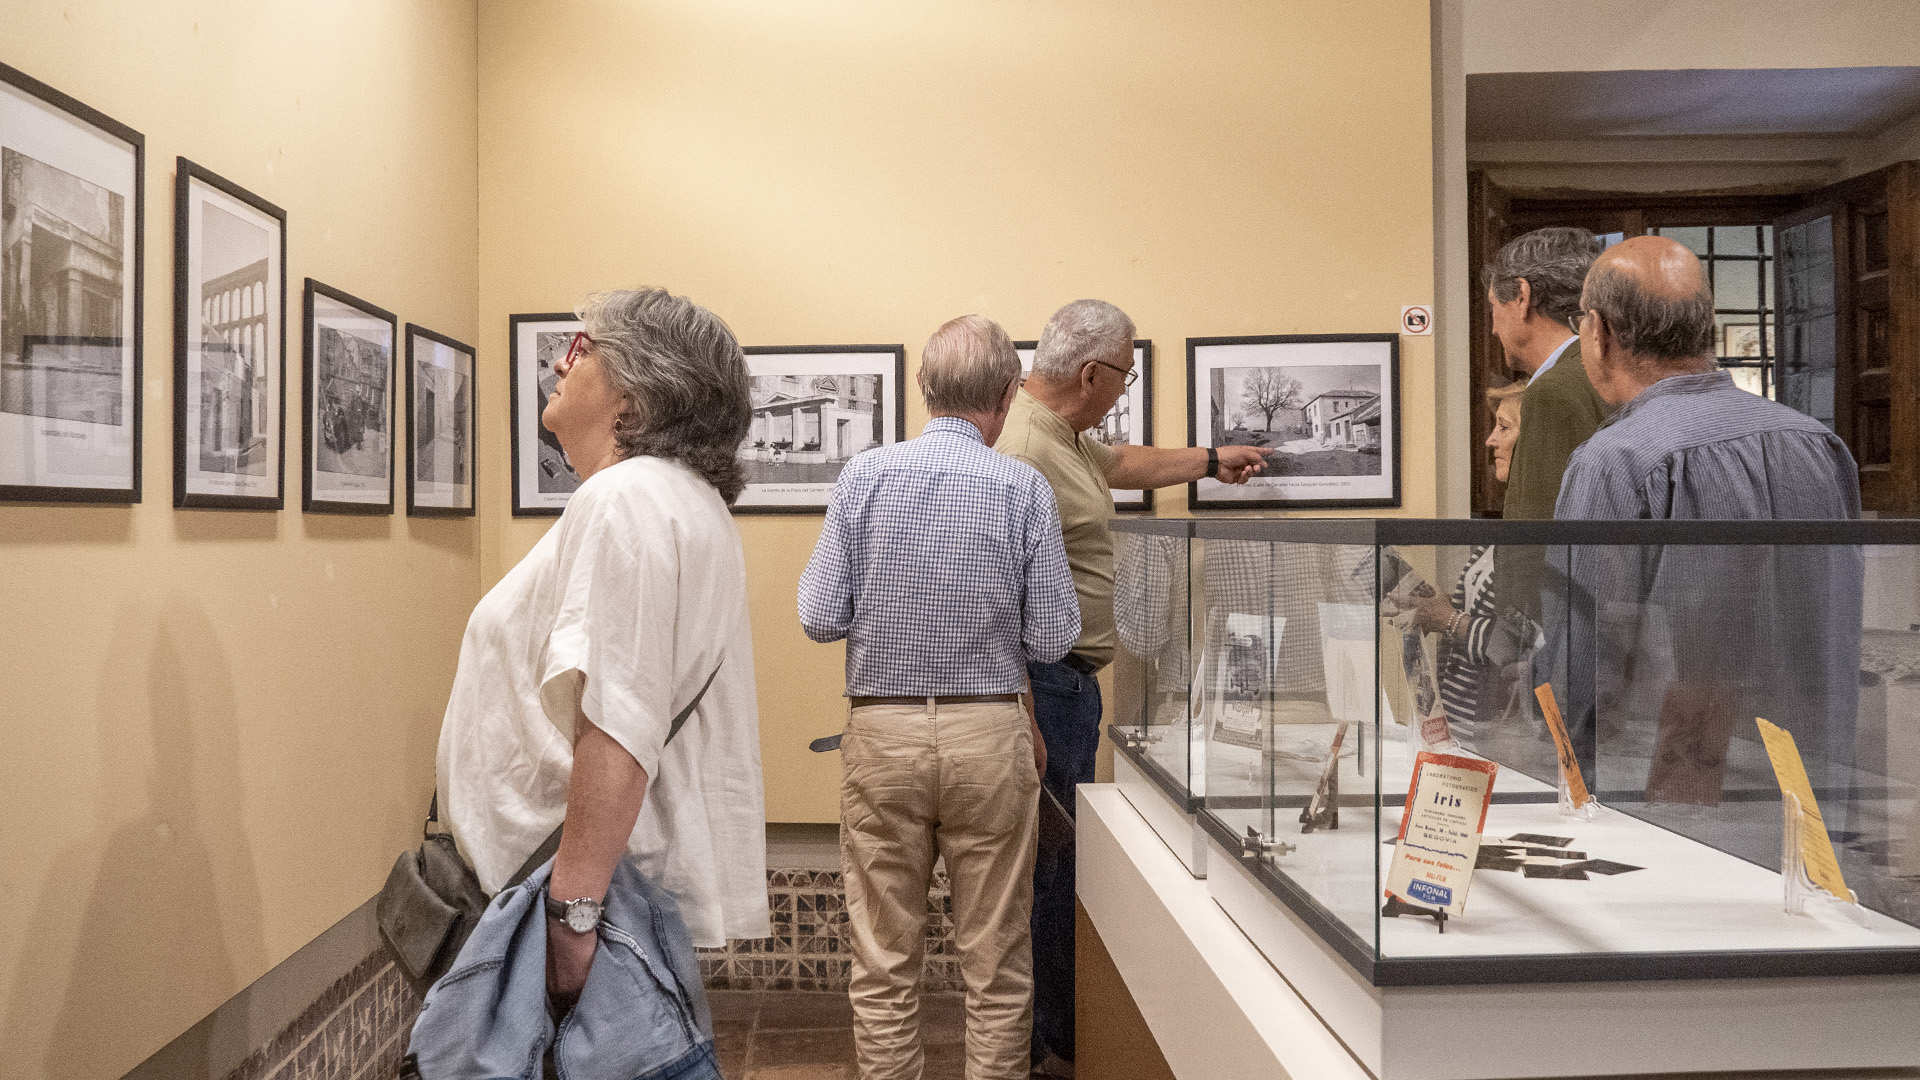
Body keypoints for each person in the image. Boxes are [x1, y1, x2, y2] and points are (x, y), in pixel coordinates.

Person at [435, 289, 768, 1076]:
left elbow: (618, 719)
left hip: (580, 895)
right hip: (595, 885)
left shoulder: (627, 501)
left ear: (637, 391)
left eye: (582, 347)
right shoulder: (676, 502)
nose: (560, 360)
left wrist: (572, 919)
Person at [798, 315, 1080, 1080]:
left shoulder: (864, 477)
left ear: (925, 390)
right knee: (996, 962)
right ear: (1003, 394)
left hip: (883, 734)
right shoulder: (1022, 486)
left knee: (885, 960)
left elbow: (819, 616)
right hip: (990, 735)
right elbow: (1056, 636)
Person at [994, 299, 1265, 1078]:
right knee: (1050, 868)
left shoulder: (1064, 436)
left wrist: (1211, 459)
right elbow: (997, 593)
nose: (1125, 390)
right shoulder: (1021, 449)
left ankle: (1053, 1033)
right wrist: (1024, 710)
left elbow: (1124, 465)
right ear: (1091, 374)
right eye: (1125, 377)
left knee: (1059, 862)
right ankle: (1053, 1042)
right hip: (1042, 688)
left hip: (1068, 685)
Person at [1557, 236, 1861, 848]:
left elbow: (1582, 658)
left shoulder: (1613, 462)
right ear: (1707, 327)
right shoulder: (1818, 443)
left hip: (1665, 803)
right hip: (1813, 792)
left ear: (1599, 331)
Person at [1408, 381, 1536, 746]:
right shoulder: (1502, 527)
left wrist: (1448, 619)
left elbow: (1521, 648)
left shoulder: (1539, 535)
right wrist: (1436, 604)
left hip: (1504, 738)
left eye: (1505, 427)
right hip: (1464, 726)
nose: (1490, 440)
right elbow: (1482, 614)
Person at [1484, 227, 1609, 520]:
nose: (1493, 329)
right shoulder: (1607, 371)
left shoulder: (1554, 390)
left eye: (1493, 305)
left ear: (1521, 296)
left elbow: (1537, 541)